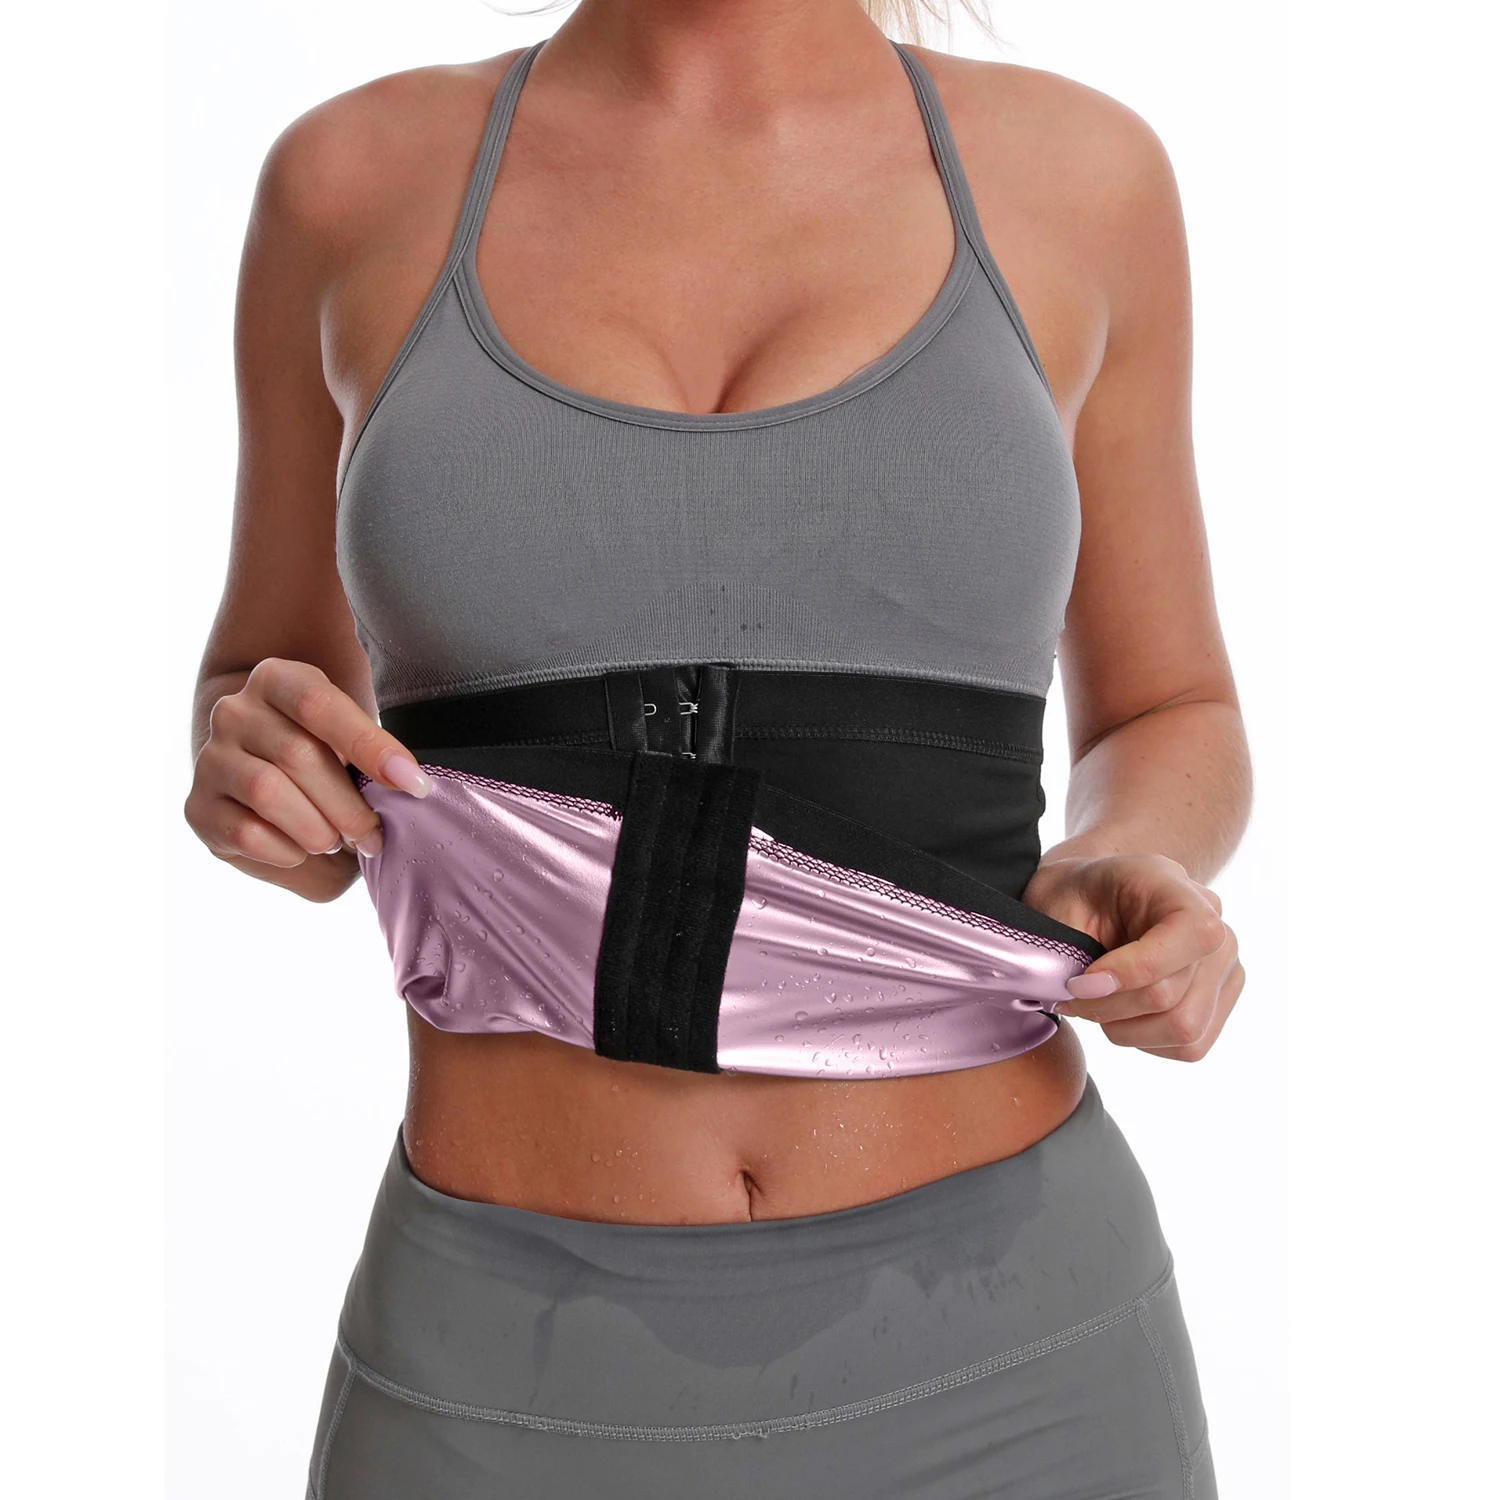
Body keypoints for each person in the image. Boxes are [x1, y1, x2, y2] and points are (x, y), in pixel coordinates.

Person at [185, 1, 1250, 1494]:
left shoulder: (1078, 175)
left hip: (1013, 1354)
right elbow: (258, 682)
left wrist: (1131, 858)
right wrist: (260, 781)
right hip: (500, 1363)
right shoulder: (351, 179)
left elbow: (1170, 708)